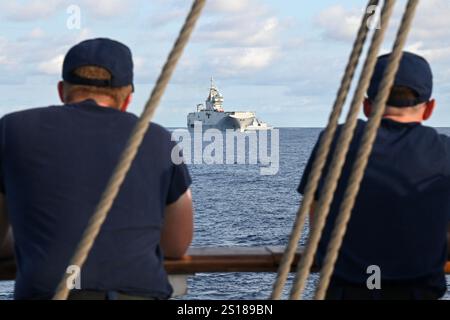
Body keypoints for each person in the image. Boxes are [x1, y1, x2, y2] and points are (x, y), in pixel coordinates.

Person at [0, 38, 194, 300]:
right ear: (127, 99)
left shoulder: (12, 130)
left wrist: (31, 242)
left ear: (61, 90)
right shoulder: (160, 139)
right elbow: (176, 245)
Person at [298, 52, 450, 300]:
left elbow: (317, 219)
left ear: (367, 106)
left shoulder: (336, 140)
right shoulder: (444, 152)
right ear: (429, 108)